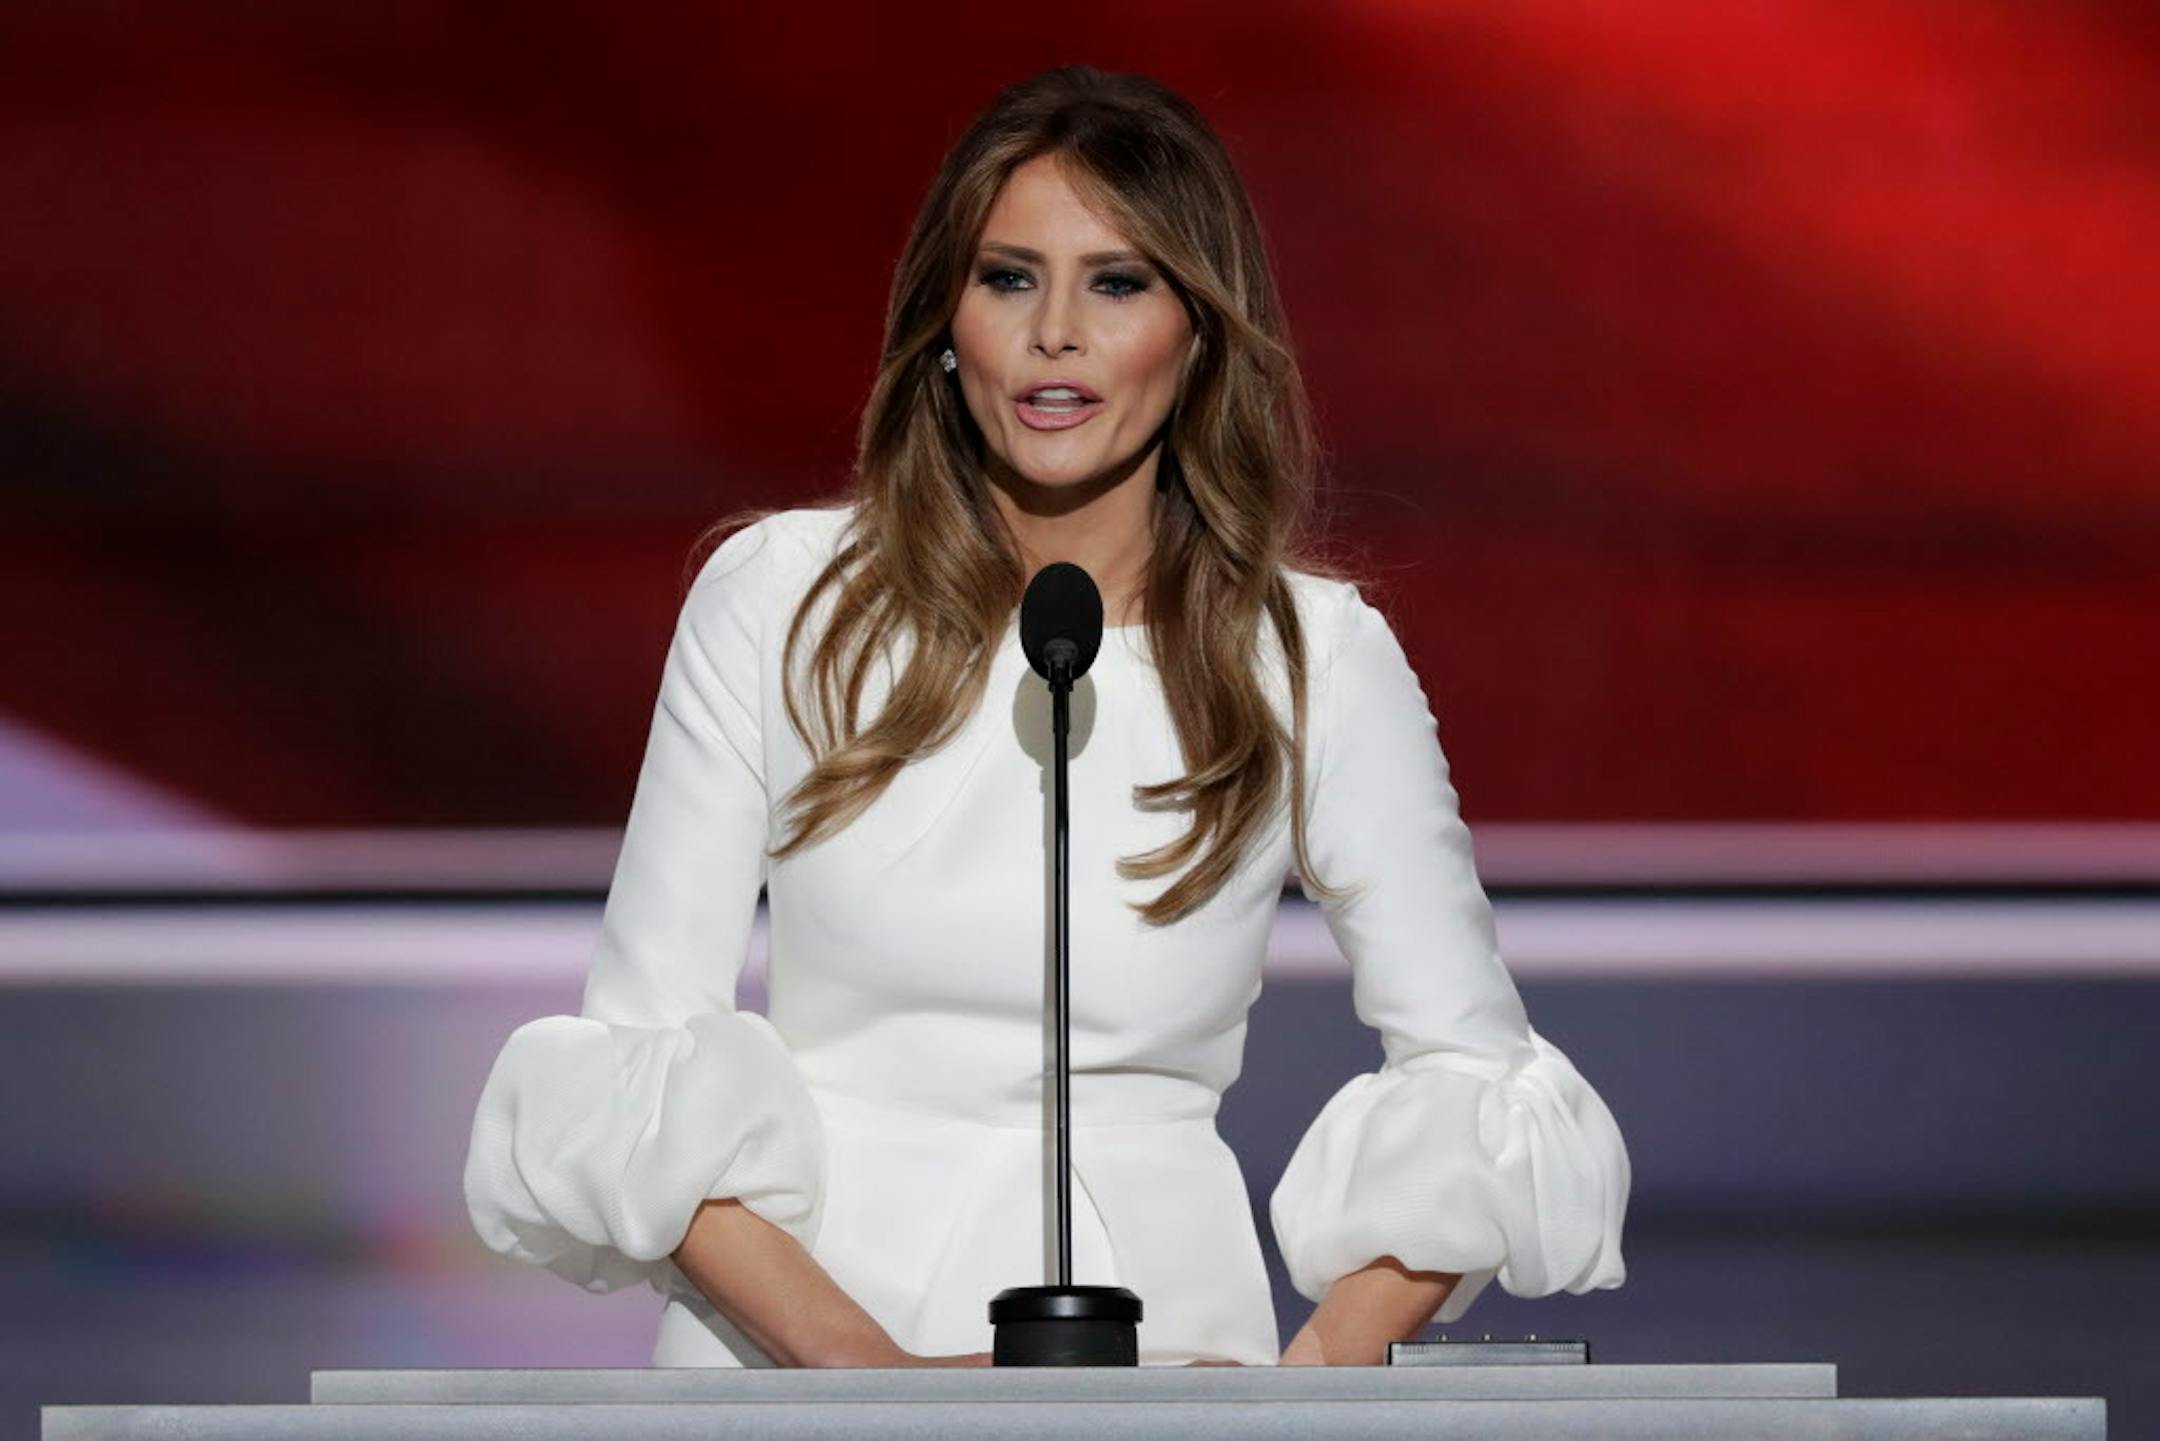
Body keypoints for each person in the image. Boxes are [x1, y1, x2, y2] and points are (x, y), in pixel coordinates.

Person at [462, 64, 1628, 1370]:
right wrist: (877, 1383)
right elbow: (631, 1056)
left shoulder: (1313, 657)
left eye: (1117, 282)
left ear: (1198, 330)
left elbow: (1481, 1080)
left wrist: (1300, 1397)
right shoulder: (781, 602)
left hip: (1171, 1377)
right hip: (799, 1367)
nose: (1054, 330)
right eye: (1009, 277)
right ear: (946, 324)